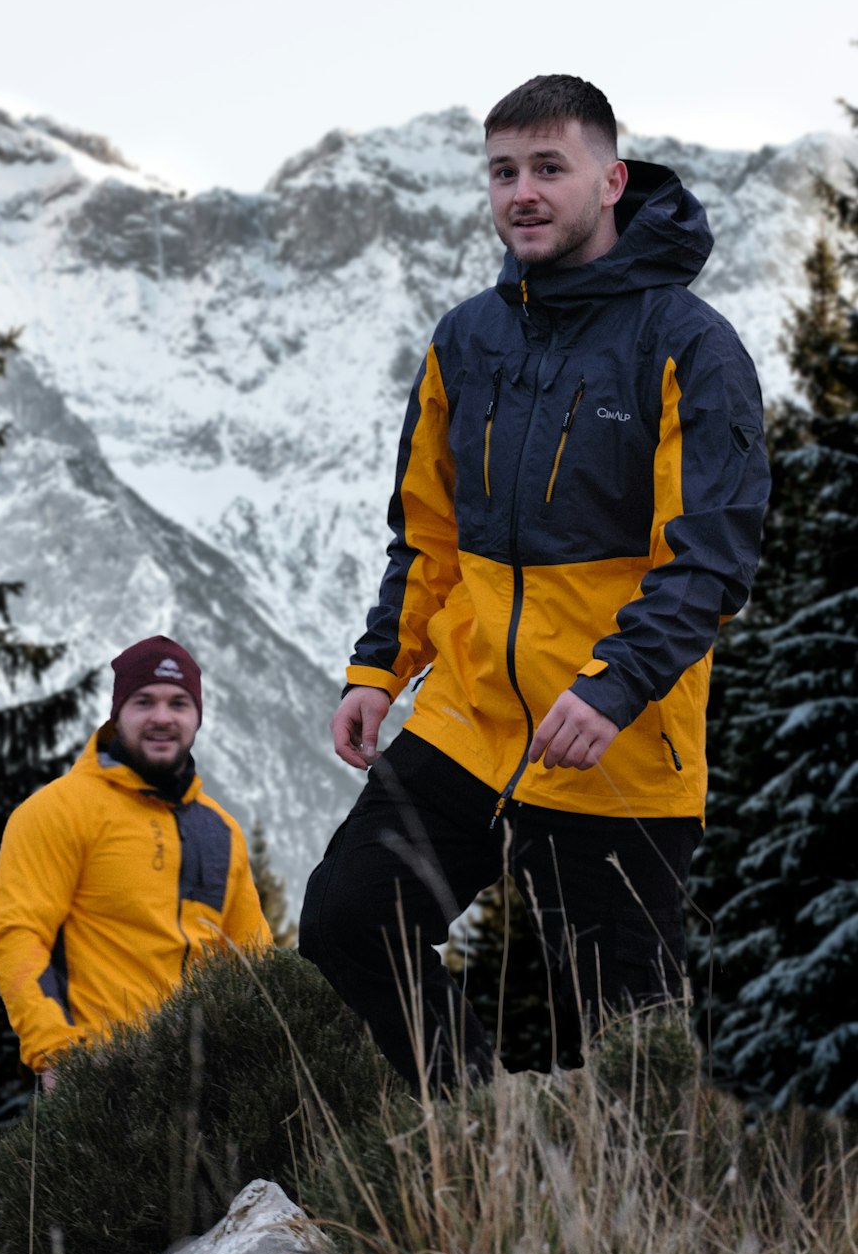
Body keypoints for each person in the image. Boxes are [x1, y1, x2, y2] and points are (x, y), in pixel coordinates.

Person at [298, 74, 770, 1089]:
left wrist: (613, 687)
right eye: (503, 171)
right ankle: (476, 1145)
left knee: (628, 1040)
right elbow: (425, 533)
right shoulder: (465, 340)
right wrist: (378, 670)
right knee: (348, 922)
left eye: (548, 168)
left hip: (610, 742)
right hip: (467, 723)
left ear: (611, 179)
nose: (522, 191)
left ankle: (641, 1235)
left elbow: (711, 555)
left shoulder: (687, 345)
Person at [0, 635, 272, 1086]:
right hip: (94, 1078)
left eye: (179, 703)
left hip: (206, 1085)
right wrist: (55, 1053)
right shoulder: (57, 811)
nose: (162, 717)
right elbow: (16, 936)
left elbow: (252, 966)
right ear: (117, 715)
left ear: (197, 717)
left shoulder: (221, 831)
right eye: (144, 702)